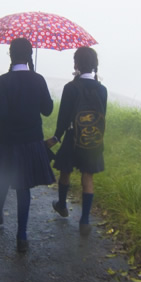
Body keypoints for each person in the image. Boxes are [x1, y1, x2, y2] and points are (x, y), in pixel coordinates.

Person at [0, 37, 56, 253]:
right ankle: (22, 235)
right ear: (30, 55)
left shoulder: (3, 81)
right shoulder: (38, 79)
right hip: (31, 141)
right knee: (24, 187)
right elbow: (47, 110)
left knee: (4, 177)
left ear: (10, 55)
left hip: (8, 140)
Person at [45, 46, 107, 236]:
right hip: (92, 140)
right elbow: (101, 116)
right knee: (87, 176)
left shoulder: (70, 87)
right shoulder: (102, 89)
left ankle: (62, 205)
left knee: (65, 171)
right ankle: (85, 220)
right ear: (94, 65)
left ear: (76, 64)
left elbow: (63, 117)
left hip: (72, 137)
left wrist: (57, 137)